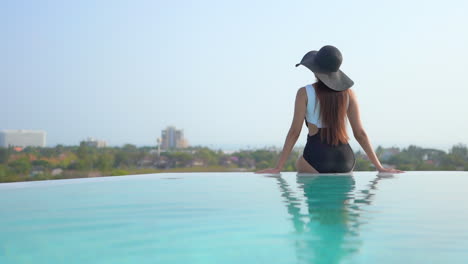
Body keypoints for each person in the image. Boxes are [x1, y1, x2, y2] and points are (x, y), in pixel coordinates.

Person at [256, 45, 403, 174]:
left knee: (299, 163)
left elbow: (295, 132)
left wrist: (278, 168)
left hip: (315, 159)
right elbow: (360, 134)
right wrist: (379, 167)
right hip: (345, 161)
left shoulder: (304, 93)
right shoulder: (349, 94)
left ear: (315, 69)